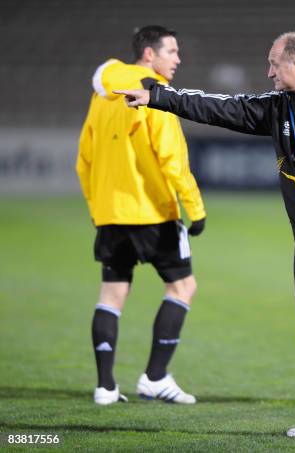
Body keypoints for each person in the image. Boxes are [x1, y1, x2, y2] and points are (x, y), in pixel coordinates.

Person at [117, 32, 295, 442]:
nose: (268, 72)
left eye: (274, 64)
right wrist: (159, 98)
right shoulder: (278, 106)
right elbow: (219, 108)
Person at [76, 25, 206, 405]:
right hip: (152, 213)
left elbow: (84, 158)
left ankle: (104, 387)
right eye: (172, 51)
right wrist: (195, 210)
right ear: (149, 54)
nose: (178, 59)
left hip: (111, 215)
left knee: (111, 295)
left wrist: (98, 206)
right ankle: (155, 377)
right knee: (183, 287)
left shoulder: (101, 94)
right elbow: (173, 160)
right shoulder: (154, 94)